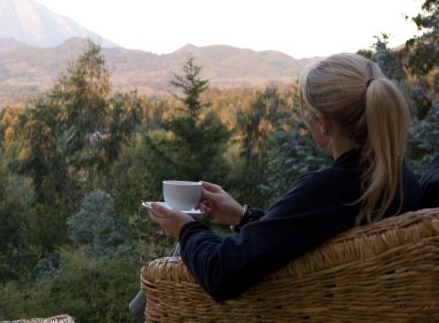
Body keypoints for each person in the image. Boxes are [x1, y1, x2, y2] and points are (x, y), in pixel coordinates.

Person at [146, 53, 423, 302]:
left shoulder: (330, 189)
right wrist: (244, 217)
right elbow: (306, 234)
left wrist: (185, 229)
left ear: (322, 123)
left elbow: (223, 273)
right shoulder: (398, 178)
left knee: (156, 283)